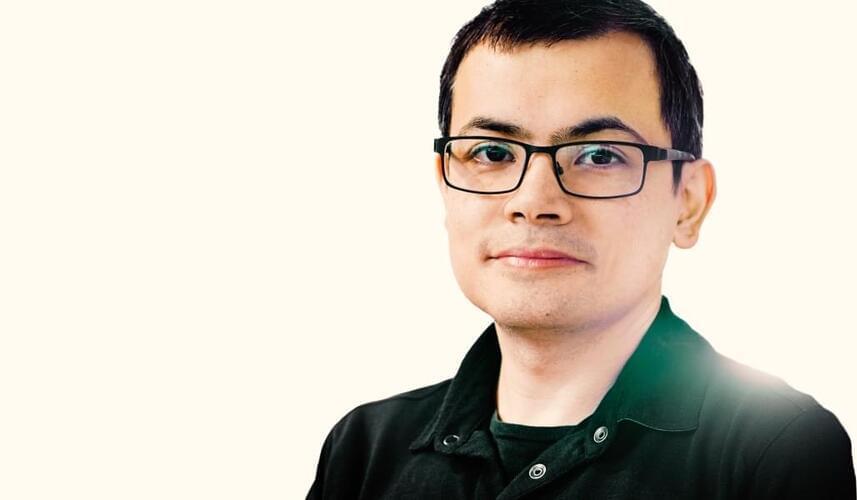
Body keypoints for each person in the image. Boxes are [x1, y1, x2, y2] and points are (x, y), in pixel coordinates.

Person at [307, 0, 856, 497]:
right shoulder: (365, 451)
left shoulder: (774, 451)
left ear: (688, 202)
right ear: (445, 184)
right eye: (492, 153)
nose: (533, 202)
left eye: (599, 155)